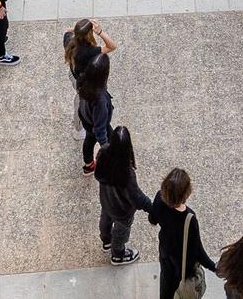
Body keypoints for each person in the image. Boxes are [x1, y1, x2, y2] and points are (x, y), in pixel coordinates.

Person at [150, 169, 219, 299]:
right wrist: (214, 267)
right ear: (186, 194)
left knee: (165, 286)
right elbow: (198, 251)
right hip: (183, 266)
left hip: (165, 253)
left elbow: (153, 219)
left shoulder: (159, 198)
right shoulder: (189, 218)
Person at [95, 127, 152, 266]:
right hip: (122, 211)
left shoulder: (103, 154)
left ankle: (106, 241)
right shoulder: (127, 172)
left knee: (105, 221)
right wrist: (152, 207)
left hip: (106, 201)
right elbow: (137, 197)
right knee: (121, 233)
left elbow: (98, 174)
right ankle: (118, 254)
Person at [76, 51, 115, 171]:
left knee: (89, 140)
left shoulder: (83, 79)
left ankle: (88, 165)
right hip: (96, 124)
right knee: (112, 140)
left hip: (85, 118)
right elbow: (99, 129)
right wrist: (105, 147)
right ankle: (111, 161)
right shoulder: (100, 101)